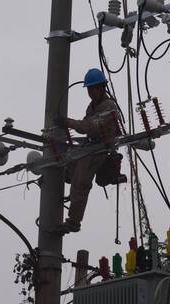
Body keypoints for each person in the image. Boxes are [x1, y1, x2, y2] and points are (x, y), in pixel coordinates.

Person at [56, 68, 121, 234]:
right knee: (65, 161)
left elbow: (88, 127)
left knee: (81, 181)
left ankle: (73, 222)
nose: (91, 93)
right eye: (90, 89)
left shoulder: (108, 106)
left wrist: (67, 122)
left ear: (102, 88)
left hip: (101, 150)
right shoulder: (92, 107)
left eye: (94, 88)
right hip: (90, 146)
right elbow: (86, 125)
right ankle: (63, 185)